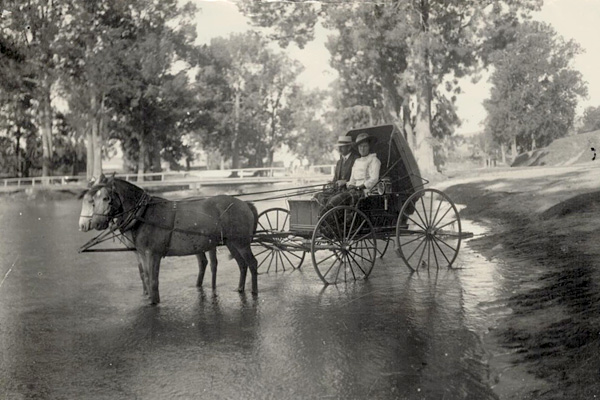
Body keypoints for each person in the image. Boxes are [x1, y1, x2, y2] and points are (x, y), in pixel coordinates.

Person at [319, 132, 381, 216]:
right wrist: (350, 184)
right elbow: (352, 180)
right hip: (354, 191)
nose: (362, 149)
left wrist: (360, 187)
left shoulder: (374, 160)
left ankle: (326, 223)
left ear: (369, 147)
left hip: (365, 192)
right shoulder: (357, 161)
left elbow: (374, 179)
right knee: (329, 199)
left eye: (365, 146)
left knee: (335, 201)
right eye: (360, 146)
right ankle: (327, 224)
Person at [314, 135, 358, 207]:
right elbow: (335, 179)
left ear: (349, 147)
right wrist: (331, 183)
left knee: (331, 200)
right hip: (337, 191)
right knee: (317, 195)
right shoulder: (339, 162)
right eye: (339, 147)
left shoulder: (356, 159)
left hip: (348, 192)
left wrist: (346, 182)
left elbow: (358, 179)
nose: (339, 149)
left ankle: (329, 215)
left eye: (342, 147)